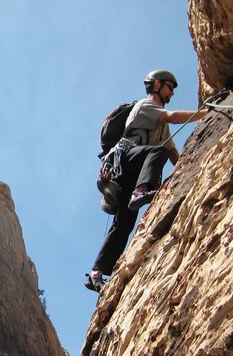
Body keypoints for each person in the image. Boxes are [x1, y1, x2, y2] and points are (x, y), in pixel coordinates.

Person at [86, 69, 207, 293]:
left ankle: (96, 273)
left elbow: (171, 151)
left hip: (128, 170)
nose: (172, 93)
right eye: (169, 87)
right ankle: (141, 191)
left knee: (123, 225)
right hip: (127, 158)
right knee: (156, 153)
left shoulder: (160, 125)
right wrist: (205, 113)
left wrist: (185, 168)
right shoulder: (145, 106)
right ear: (157, 85)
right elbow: (170, 120)